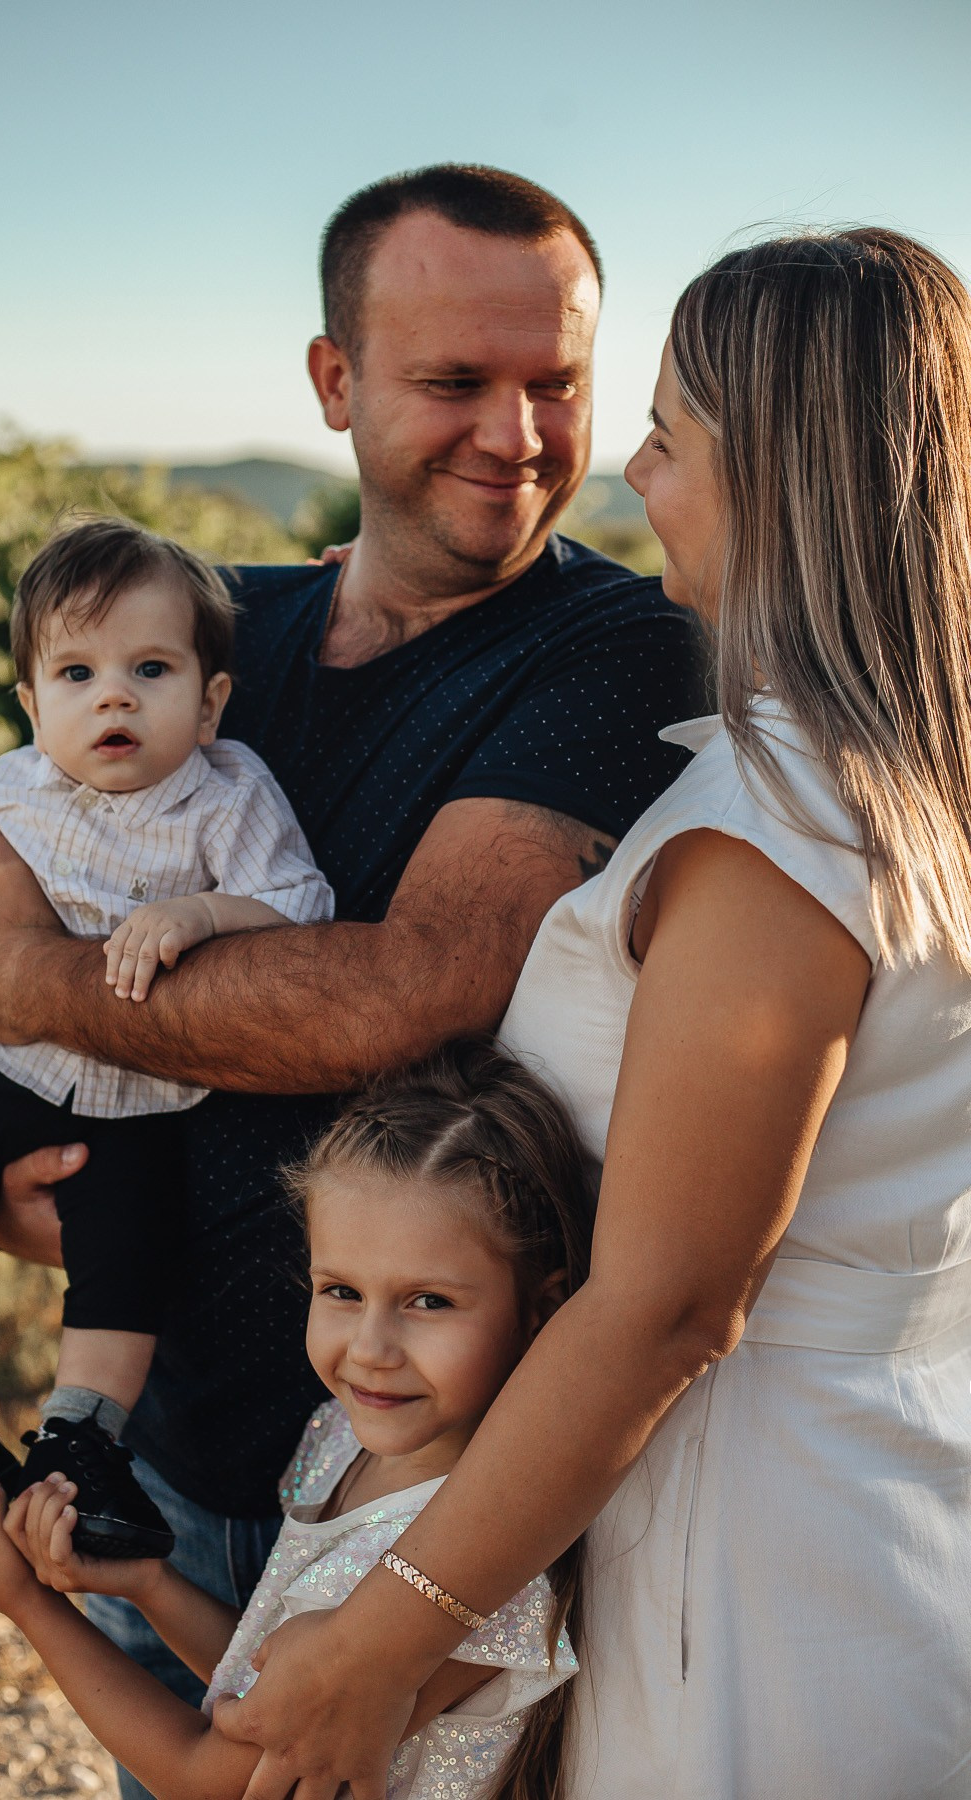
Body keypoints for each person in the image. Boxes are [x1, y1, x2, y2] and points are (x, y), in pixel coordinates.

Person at [0, 164, 706, 1798]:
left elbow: (390, 999)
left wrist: (24, 983)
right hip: (143, 1414)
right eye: (454, 383)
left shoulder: (615, 651)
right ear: (332, 384)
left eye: (557, 381)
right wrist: (1, 1150)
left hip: (387, 1469)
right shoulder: (202, 632)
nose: (521, 432)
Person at [212, 227, 971, 1800]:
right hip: (869, 1482)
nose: (628, 468)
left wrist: (387, 1634)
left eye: (668, 435)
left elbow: (668, 1306)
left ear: (775, 475)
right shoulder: (899, 783)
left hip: (749, 1560)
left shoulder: (776, 836)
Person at [0, 1041, 590, 1800]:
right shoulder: (339, 1432)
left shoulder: (485, 1561)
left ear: (540, 1309)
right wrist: (150, 1585)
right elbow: (268, 1679)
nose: (371, 1350)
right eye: (341, 1291)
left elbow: (206, 1776)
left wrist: (26, 1602)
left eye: (430, 1301)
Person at [0, 516, 332, 1562]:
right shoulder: (3, 791)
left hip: (141, 1095)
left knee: (125, 1271)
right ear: (32, 703)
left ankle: (78, 1445)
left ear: (210, 702)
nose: (115, 696)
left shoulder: (226, 794)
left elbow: (297, 901)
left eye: (151, 669)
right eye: (77, 672)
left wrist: (199, 914)